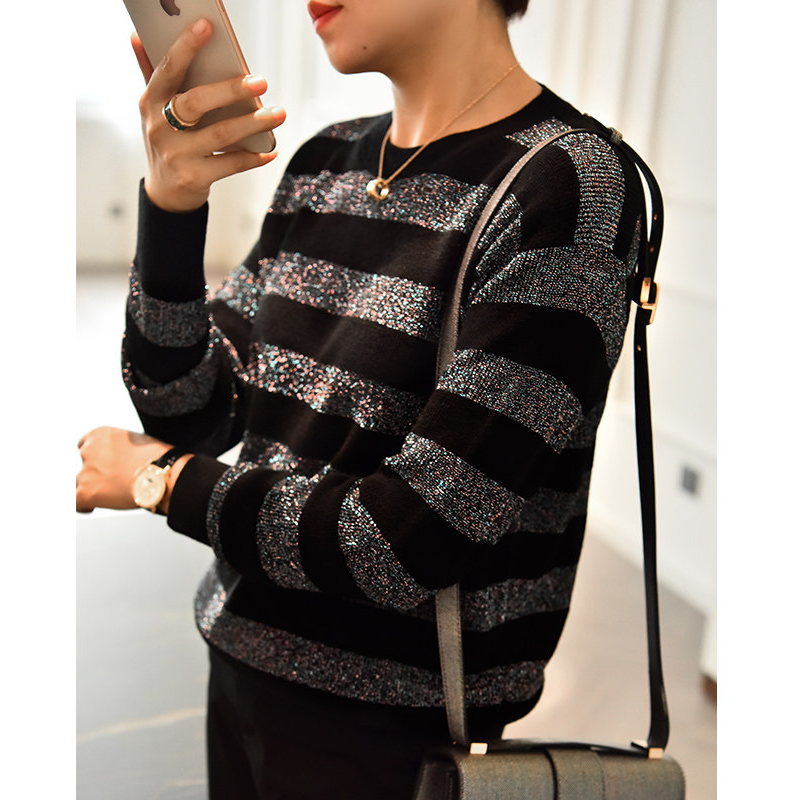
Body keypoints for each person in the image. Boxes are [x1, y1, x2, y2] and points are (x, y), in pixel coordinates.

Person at [76, 0, 645, 797]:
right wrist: (172, 208)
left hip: (394, 733)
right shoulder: (326, 162)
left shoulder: (566, 185)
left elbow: (407, 539)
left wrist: (161, 482)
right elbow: (190, 409)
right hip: (239, 664)